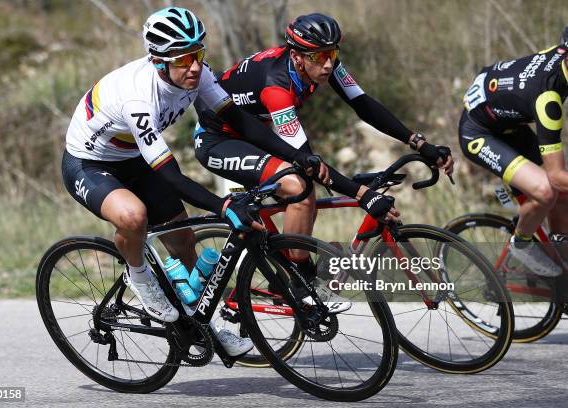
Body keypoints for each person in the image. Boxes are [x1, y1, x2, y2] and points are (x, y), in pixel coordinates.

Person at [62, 7, 322, 356]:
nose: (195, 66)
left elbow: (239, 122)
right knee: (134, 216)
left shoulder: (198, 76)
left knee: (183, 242)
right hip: (89, 163)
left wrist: (296, 155)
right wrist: (222, 205)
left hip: (133, 159)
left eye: (198, 54)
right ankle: (139, 278)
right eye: (183, 60)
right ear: (158, 62)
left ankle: (205, 327)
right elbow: (171, 174)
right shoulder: (138, 98)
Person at [193, 13, 453, 303]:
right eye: (319, 56)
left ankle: (287, 270)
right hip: (219, 141)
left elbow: (363, 104)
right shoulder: (276, 87)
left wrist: (418, 142)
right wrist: (363, 194)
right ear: (297, 56)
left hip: (258, 134)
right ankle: (300, 278)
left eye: (332, 53)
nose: (328, 63)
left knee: (305, 193)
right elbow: (305, 158)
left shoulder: (323, 65)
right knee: (300, 187)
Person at [459, 26, 568, 277]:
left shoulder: (561, 55)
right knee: (547, 190)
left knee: (562, 196)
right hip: (479, 132)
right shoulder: (547, 98)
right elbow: (556, 175)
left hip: (507, 122)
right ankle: (522, 243)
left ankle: (560, 258)